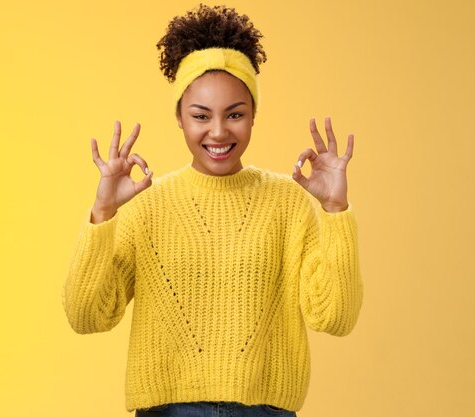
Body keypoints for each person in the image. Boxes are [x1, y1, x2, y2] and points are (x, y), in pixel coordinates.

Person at [62, 4, 363, 417]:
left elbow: (336, 317)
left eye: (235, 114)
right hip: (166, 411)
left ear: (253, 114)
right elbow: (85, 316)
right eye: (200, 115)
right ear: (180, 119)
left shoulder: (289, 203)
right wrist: (102, 214)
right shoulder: (146, 205)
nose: (218, 131)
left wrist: (335, 208)